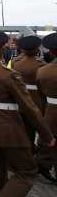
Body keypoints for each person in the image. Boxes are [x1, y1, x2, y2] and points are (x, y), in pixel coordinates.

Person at [0, 30, 56, 196]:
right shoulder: (9, 76)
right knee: (27, 171)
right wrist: (47, 136)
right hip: (9, 129)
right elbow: (29, 108)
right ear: (2, 50)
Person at [11, 36, 46, 154]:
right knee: (40, 127)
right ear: (37, 49)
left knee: (25, 128)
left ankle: (27, 148)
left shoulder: (16, 62)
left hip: (20, 99)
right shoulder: (41, 65)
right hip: (37, 100)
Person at [36, 33, 57, 181]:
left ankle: (42, 164)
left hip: (51, 109)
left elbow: (41, 92)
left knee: (50, 139)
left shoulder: (42, 70)